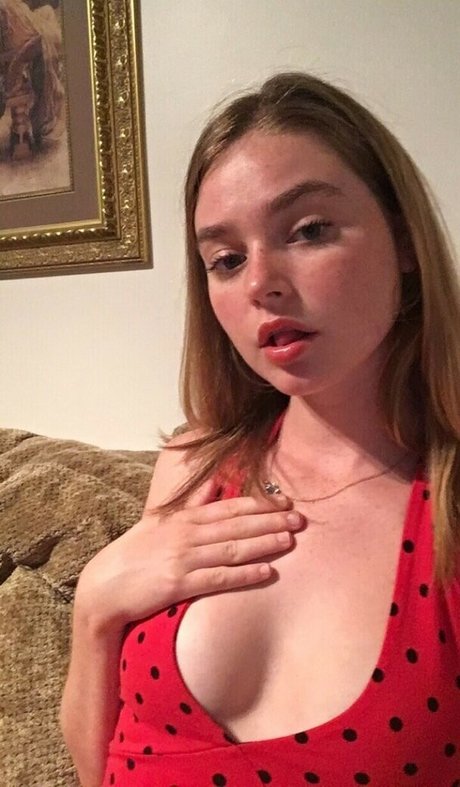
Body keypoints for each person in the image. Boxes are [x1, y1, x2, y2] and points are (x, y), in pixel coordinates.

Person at [60, 72, 460, 786]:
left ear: (403, 240)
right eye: (227, 259)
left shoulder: (446, 506)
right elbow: (104, 765)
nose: (260, 283)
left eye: (309, 231)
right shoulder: (192, 464)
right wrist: (94, 609)